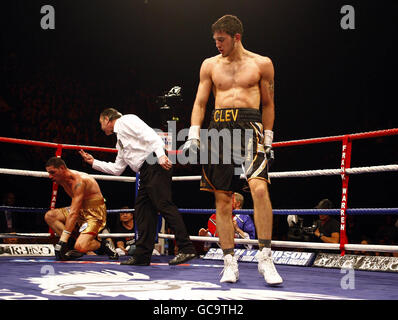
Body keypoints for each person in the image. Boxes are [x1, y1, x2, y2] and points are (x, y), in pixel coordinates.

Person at [183, 15, 282, 285]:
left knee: (260, 189)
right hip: (219, 128)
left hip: (251, 128)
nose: (217, 44)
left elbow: (269, 105)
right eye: (215, 40)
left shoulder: (262, 64)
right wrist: (194, 135)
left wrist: (269, 138)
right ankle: (229, 261)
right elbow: (200, 103)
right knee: (223, 198)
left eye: (221, 39)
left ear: (236, 37)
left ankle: (265, 258)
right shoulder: (209, 65)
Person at [79, 108, 196, 266]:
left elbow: (151, 136)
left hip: (155, 162)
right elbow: (117, 169)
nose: (101, 127)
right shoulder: (119, 140)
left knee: (163, 204)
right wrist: (93, 162)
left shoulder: (126, 120)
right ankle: (142, 256)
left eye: (101, 123)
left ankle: (186, 248)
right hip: (146, 171)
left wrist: (160, 155)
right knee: (143, 212)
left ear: (107, 119)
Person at [44, 157, 118, 260]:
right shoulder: (62, 179)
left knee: (81, 246)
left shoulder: (78, 181)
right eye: (49, 173)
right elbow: (75, 208)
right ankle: (71, 245)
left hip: (94, 212)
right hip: (80, 209)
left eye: (52, 172)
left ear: (61, 168)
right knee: (50, 216)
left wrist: (62, 241)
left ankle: (103, 244)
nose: (50, 176)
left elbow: (73, 213)